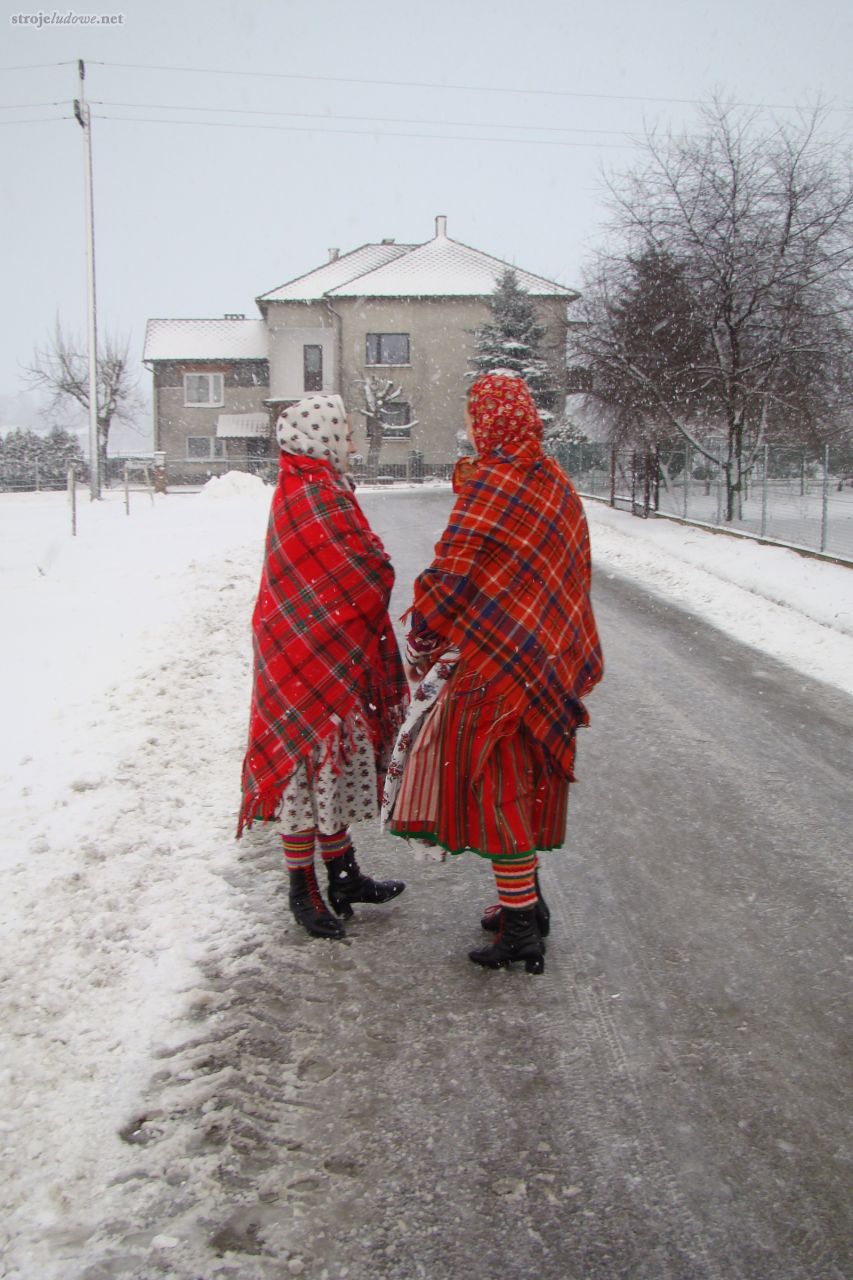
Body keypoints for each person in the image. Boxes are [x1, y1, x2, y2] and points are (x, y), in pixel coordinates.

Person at [385, 372, 603, 974]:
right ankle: (524, 904)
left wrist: (424, 631)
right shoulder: (557, 481)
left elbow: (450, 571)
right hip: (549, 659)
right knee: (525, 782)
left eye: (473, 416)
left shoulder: (495, 484)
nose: (471, 426)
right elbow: (572, 573)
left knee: (495, 786)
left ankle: (522, 929)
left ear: (488, 423)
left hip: (498, 665)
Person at [237, 394, 410, 940]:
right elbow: (364, 566)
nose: (353, 444)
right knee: (303, 769)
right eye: (346, 433)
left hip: (318, 648)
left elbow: (356, 566)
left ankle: (342, 873)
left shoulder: (314, 486)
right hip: (304, 655)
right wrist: (373, 571)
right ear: (323, 437)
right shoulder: (312, 492)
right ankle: (301, 887)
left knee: (327, 768)